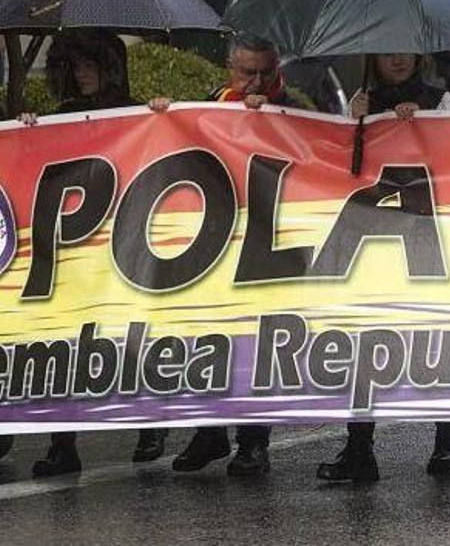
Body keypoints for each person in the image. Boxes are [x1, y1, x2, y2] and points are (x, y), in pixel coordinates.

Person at [18, 31, 168, 477]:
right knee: (65, 342)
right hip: (75, 247)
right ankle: (63, 444)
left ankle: (151, 426)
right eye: (75, 65)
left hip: (126, 244)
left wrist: (161, 116)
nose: (81, 73)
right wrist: (29, 126)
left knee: (135, 336)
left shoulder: (138, 112)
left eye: (89, 64)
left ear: (110, 67)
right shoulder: (62, 116)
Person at [316, 53, 450, 483]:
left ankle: (447, 440)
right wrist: (356, 124)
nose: (398, 59)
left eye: (406, 50)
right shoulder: (359, 103)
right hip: (373, 240)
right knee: (366, 342)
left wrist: (426, 128)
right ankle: (359, 447)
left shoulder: (440, 101)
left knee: (437, 338)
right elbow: (339, 167)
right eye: (388, 51)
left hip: (428, 238)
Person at [160, 35, 292, 476]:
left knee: (259, 343)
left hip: (269, 242)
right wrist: (164, 117)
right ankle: (210, 432)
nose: (256, 81)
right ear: (229, 70)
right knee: (210, 336)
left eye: (265, 73)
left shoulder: (294, 109)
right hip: (219, 236)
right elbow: (182, 141)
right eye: (246, 72)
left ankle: (253, 443)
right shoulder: (214, 103)